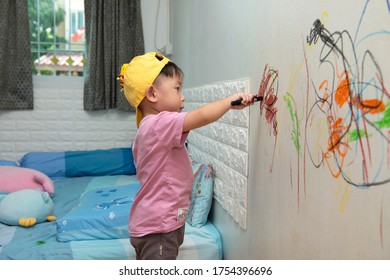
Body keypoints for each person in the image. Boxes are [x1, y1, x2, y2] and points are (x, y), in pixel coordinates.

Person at [118, 52, 254, 260]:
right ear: (152, 94)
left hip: (159, 223)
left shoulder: (149, 127)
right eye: (177, 88)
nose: (183, 96)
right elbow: (199, 116)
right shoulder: (159, 124)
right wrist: (228, 102)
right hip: (159, 228)